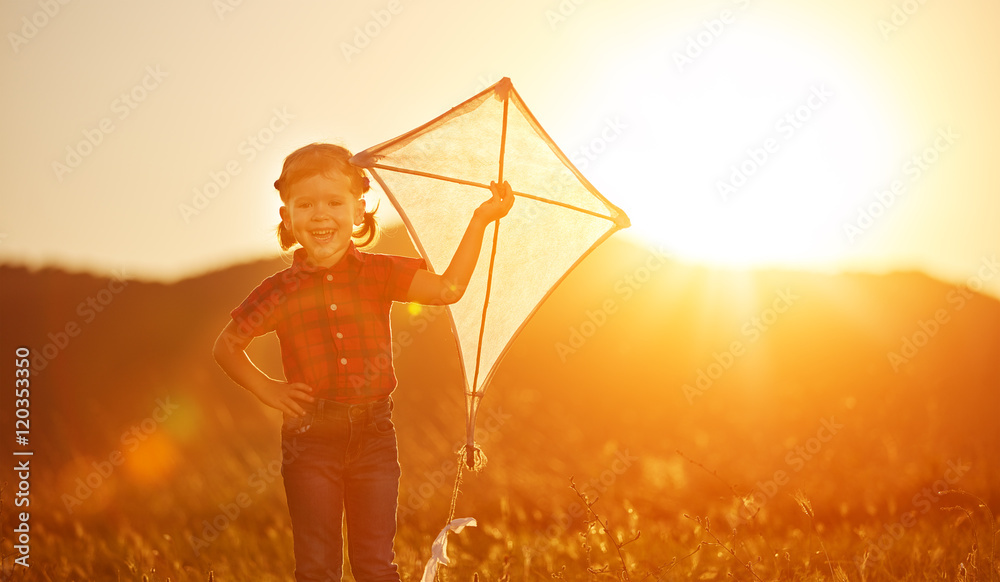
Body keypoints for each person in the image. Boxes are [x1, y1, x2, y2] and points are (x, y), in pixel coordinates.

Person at [212, 142, 513, 581]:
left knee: (375, 565)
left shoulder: (378, 273)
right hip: (309, 441)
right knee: (317, 567)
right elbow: (226, 346)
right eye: (306, 204)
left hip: (374, 436)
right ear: (288, 218)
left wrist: (480, 219)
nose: (320, 214)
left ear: (358, 213)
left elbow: (448, 289)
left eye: (335, 202)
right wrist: (269, 389)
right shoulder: (279, 290)